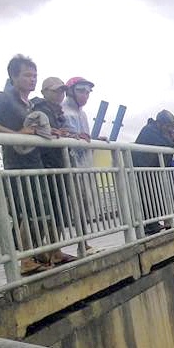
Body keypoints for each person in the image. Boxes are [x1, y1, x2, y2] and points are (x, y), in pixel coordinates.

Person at [0, 54, 51, 275]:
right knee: (26, 211)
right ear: (13, 76)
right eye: (27, 75)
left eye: (35, 75)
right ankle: (25, 260)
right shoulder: (3, 98)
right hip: (17, 164)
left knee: (41, 211)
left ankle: (40, 255)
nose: (32, 79)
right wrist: (16, 135)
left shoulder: (31, 104)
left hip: (35, 162)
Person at [29, 77, 76, 265]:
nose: (60, 94)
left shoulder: (57, 112)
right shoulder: (40, 109)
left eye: (62, 91)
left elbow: (59, 132)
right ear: (45, 92)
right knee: (45, 212)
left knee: (58, 211)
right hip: (47, 166)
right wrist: (57, 133)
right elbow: (43, 133)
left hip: (58, 166)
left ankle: (55, 250)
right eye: (56, 90)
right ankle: (38, 253)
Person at [132, 110, 174, 235]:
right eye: (168, 126)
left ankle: (154, 223)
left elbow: (168, 142)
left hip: (151, 169)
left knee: (155, 195)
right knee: (146, 197)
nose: (170, 128)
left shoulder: (158, 130)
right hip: (142, 169)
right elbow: (162, 143)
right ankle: (149, 225)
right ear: (161, 123)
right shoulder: (149, 130)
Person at [62, 76, 98, 255]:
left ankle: (84, 243)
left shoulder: (82, 114)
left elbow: (86, 137)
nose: (85, 95)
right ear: (70, 91)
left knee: (83, 204)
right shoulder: (63, 111)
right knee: (71, 206)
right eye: (81, 91)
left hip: (83, 166)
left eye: (87, 92)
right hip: (69, 165)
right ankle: (77, 245)